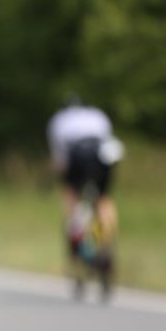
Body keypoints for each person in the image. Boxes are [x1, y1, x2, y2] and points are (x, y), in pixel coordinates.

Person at [46, 95, 124, 260]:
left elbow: (59, 159)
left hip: (77, 153)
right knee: (103, 199)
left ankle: (76, 235)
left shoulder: (59, 119)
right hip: (103, 154)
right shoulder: (98, 115)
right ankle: (102, 241)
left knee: (71, 193)